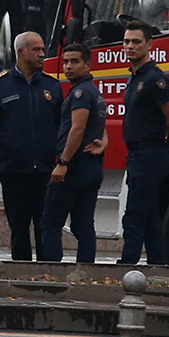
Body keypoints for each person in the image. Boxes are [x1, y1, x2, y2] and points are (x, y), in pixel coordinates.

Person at [0, 32, 63, 260]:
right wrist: (8, 141)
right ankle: (22, 274)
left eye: (43, 49)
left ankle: (48, 274)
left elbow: (62, 122)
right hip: (13, 169)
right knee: (19, 226)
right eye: (36, 49)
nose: (43, 54)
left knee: (45, 225)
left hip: (45, 169)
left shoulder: (52, 87)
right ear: (21, 52)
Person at [119, 22, 169, 265]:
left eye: (136, 42)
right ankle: (159, 264)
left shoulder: (155, 79)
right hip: (138, 153)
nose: (130, 46)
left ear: (149, 45)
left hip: (149, 154)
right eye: (126, 42)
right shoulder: (135, 77)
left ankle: (128, 265)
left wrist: (167, 149)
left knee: (135, 214)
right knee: (149, 216)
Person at [38, 43, 107, 262]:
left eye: (75, 61)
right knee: (83, 225)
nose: (68, 66)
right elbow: (99, 127)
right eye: (66, 61)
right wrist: (103, 142)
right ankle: (85, 274)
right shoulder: (94, 91)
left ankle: (53, 274)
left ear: (88, 66)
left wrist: (63, 162)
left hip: (75, 167)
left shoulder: (79, 93)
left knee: (50, 222)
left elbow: (77, 128)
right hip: (92, 167)